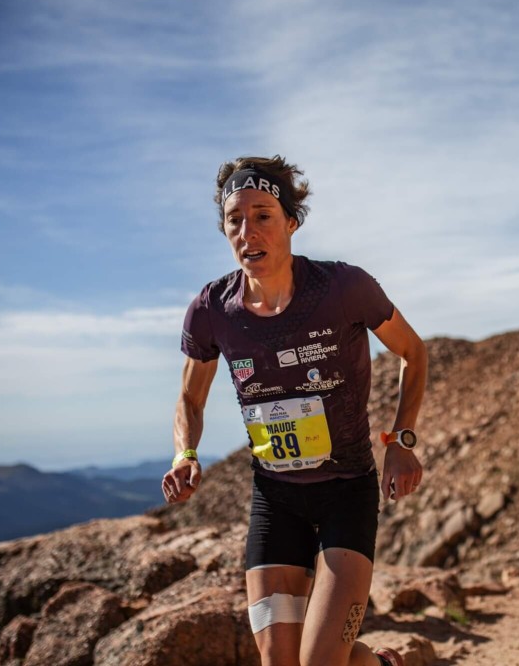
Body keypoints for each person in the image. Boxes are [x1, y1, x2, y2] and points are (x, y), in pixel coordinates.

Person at [161, 155, 427, 666]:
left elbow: (414, 352)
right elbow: (190, 398)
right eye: (234, 219)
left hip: (346, 493)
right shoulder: (212, 309)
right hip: (275, 500)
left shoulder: (343, 288)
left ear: (291, 223)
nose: (247, 231)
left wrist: (402, 441)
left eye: (263, 215)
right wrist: (184, 454)